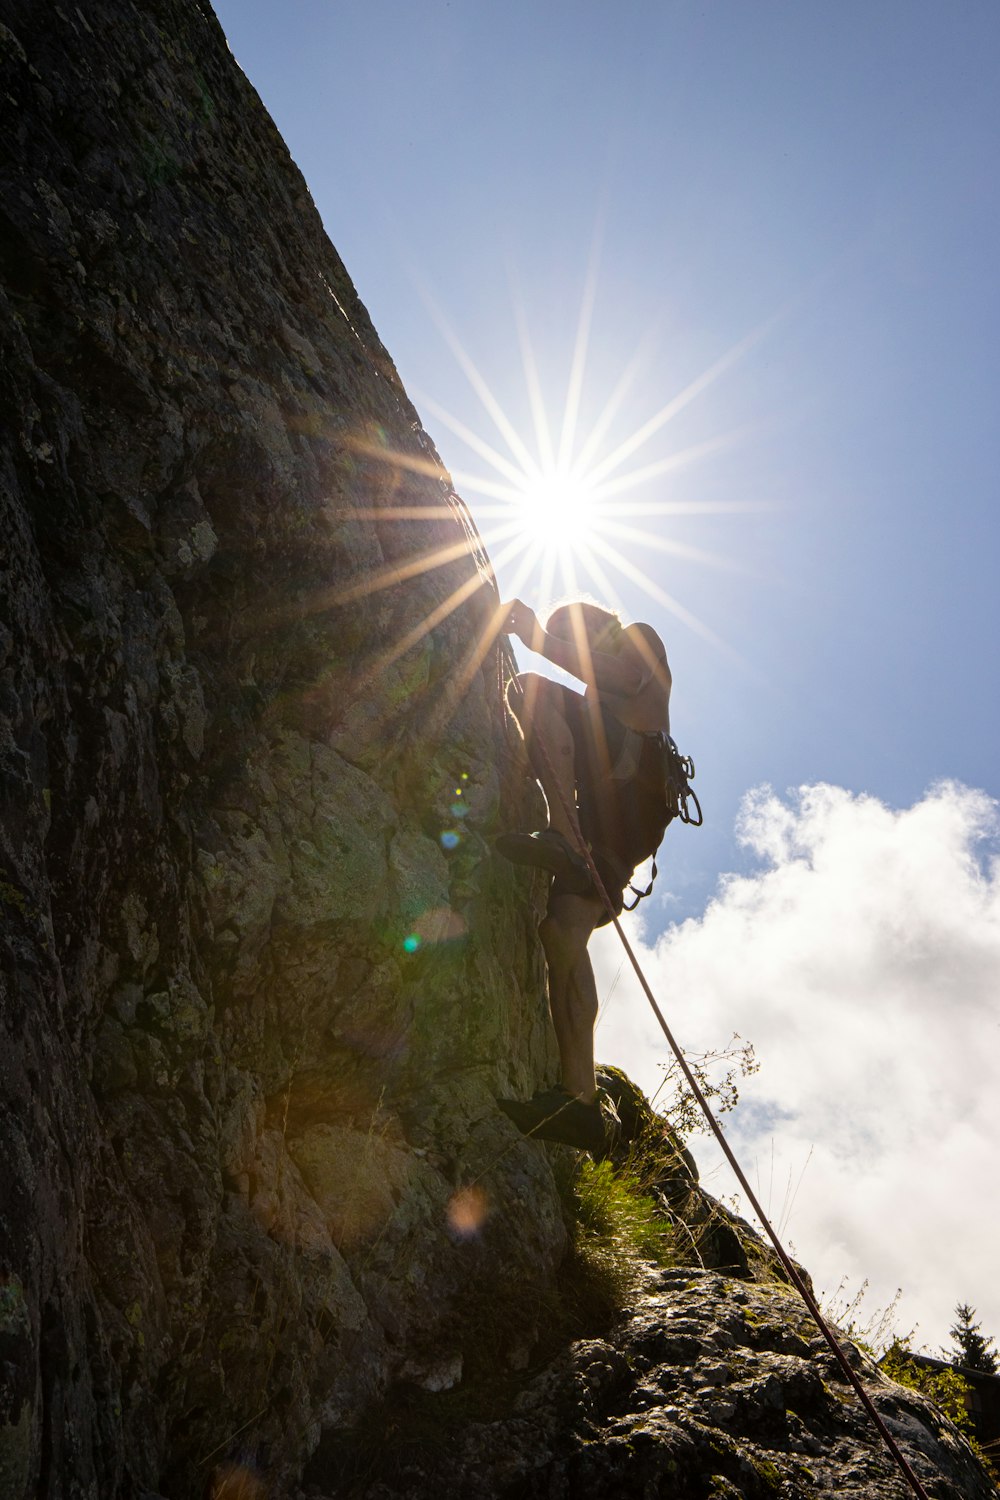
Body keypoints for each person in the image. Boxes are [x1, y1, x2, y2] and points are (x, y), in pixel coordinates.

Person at [496, 596, 673, 1155]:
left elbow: (626, 677)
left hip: (634, 792)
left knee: (530, 690)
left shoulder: (638, 637)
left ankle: (563, 839)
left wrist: (542, 643)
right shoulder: (599, 704)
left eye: (575, 634)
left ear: (596, 624)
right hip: (613, 829)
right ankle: (581, 1102)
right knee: (561, 933)